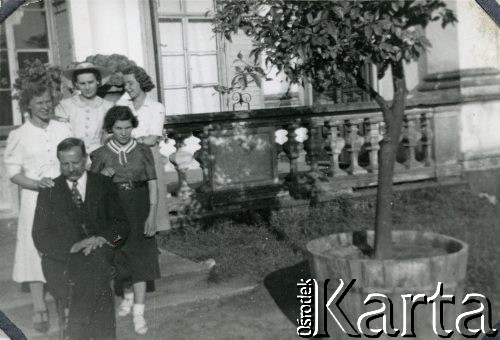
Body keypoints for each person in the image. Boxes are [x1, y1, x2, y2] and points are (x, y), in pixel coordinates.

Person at [32, 138, 130, 339]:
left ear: (85, 159)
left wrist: (104, 238)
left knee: (97, 259)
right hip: (65, 261)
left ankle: (75, 328)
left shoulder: (103, 184)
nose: (70, 168)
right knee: (98, 276)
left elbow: (123, 226)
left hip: (103, 253)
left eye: (75, 162)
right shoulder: (49, 191)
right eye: (65, 164)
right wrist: (73, 246)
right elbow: (40, 235)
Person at [4, 83, 72, 333]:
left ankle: (65, 304)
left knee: (65, 246)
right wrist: (36, 184)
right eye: (39, 102)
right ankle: (38, 305)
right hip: (35, 199)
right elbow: (13, 173)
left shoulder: (63, 129)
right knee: (33, 248)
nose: (45, 106)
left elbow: (75, 158)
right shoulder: (18, 135)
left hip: (64, 198)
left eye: (48, 101)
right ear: (28, 106)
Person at [90, 106, 160, 335]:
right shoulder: (100, 154)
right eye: (118, 128)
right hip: (115, 211)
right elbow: (91, 189)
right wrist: (102, 177)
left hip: (139, 208)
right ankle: (127, 296)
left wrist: (152, 214)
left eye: (127, 127)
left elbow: (152, 182)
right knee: (119, 255)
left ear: (133, 126)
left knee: (140, 256)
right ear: (111, 128)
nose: (123, 132)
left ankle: (139, 312)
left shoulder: (142, 151)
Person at [118, 65, 171, 231]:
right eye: (125, 84)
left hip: (149, 157)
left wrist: (128, 139)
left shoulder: (156, 107)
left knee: (153, 197)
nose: (127, 88)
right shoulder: (121, 105)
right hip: (125, 157)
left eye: (131, 83)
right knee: (131, 199)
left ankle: (153, 238)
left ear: (141, 82)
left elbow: (151, 139)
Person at [55, 62, 113, 154]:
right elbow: (62, 135)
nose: (87, 87)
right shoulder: (66, 105)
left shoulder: (108, 106)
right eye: (82, 83)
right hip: (72, 155)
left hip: (99, 155)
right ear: (76, 84)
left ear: (97, 81)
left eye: (91, 82)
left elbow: (109, 136)